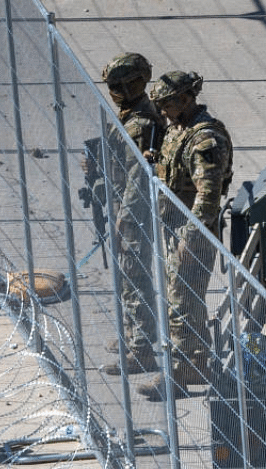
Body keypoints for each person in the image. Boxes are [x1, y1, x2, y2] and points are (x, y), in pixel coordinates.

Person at [137, 70, 233, 401]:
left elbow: (208, 196)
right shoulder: (179, 130)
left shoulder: (205, 140)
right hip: (175, 227)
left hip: (192, 232)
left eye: (167, 103)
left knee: (179, 304)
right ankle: (196, 362)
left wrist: (190, 239)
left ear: (186, 99)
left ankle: (175, 374)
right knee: (185, 303)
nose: (162, 110)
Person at [92, 52, 167, 376]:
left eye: (120, 85)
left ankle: (141, 351)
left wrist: (125, 216)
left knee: (135, 276)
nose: (116, 92)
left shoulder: (141, 123)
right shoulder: (132, 115)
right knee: (128, 276)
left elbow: (138, 176)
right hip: (126, 205)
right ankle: (133, 336)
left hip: (134, 211)